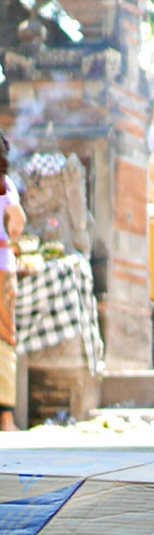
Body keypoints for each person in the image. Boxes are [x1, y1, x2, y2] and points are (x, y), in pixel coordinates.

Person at [0, 130, 26, 432]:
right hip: (3, 267)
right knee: (5, 336)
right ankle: (5, 417)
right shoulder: (6, 187)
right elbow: (17, 224)